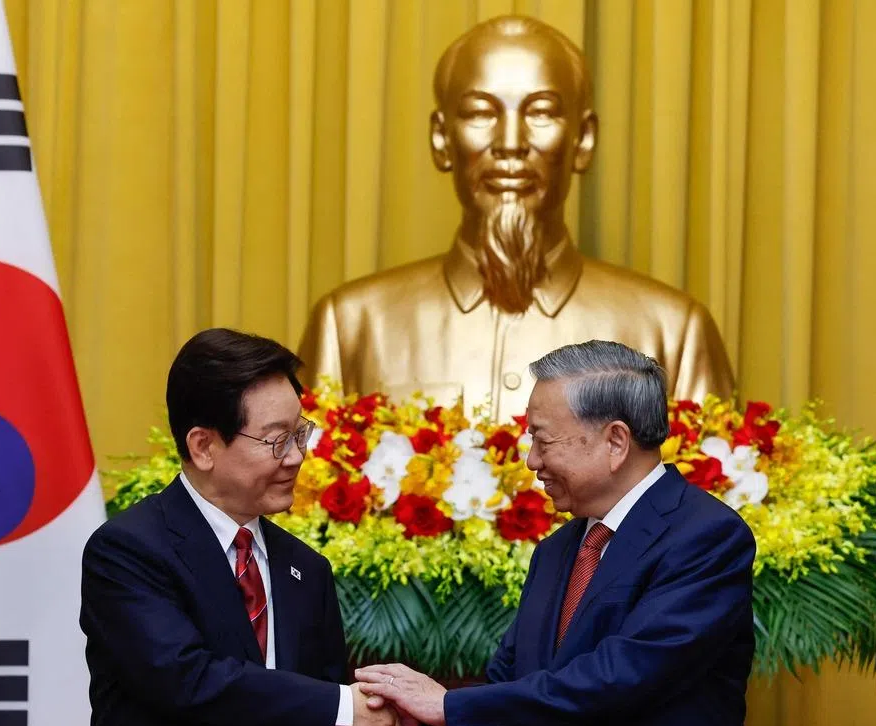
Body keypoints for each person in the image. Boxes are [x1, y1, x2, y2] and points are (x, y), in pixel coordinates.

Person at [297, 15, 734, 423]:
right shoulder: (351, 326)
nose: (510, 142)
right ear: (441, 139)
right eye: (481, 113)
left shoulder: (673, 332)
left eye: (541, 112)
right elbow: (300, 493)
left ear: (583, 139)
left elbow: (702, 499)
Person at [356, 340, 756, 726]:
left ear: (616, 441)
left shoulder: (706, 537)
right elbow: (510, 689)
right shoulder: (557, 550)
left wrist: (447, 706)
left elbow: (622, 675)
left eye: (543, 441)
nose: (530, 461)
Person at [80, 328, 404, 726]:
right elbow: (189, 678)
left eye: (299, 433)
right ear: (203, 447)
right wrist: (345, 707)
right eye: (276, 440)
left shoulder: (306, 568)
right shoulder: (128, 551)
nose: (295, 457)